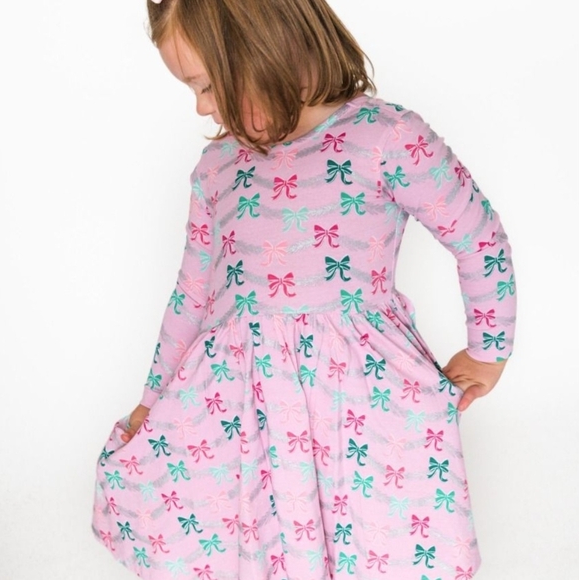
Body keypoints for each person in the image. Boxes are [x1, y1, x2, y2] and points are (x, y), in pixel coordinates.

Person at [92, 0, 516, 578]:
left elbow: (479, 238)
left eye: (207, 85)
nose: (201, 106)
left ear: (267, 48)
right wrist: (153, 398)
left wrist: (489, 351)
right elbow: (191, 296)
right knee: (264, 538)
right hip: (249, 404)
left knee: (374, 533)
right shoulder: (217, 168)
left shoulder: (387, 138)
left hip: (359, 397)